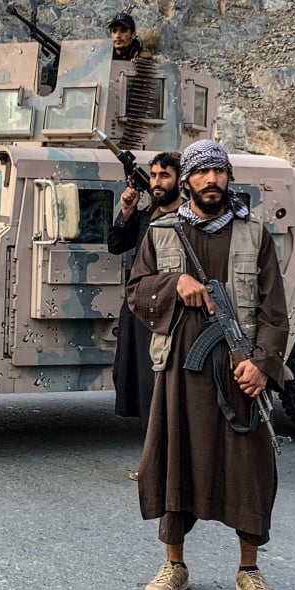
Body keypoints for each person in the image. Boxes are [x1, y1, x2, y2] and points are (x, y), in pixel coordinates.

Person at [126, 140, 291, 590]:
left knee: (249, 469)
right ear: (187, 180)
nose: (211, 180)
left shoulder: (254, 234)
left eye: (219, 172)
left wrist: (261, 364)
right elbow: (136, 292)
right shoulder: (161, 233)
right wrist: (173, 284)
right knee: (175, 460)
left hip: (239, 371)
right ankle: (174, 564)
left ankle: (249, 571)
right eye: (202, 173)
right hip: (182, 369)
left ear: (227, 178)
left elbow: (275, 310)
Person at [107, 154, 180, 480]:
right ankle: (157, 458)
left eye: (164, 175)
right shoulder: (148, 215)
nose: (156, 182)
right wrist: (126, 209)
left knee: (163, 387)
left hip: (169, 312)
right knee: (141, 386)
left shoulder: (186, 219)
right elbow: (116, 244)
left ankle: (162, 463)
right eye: (153, 175)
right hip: (139, 309)